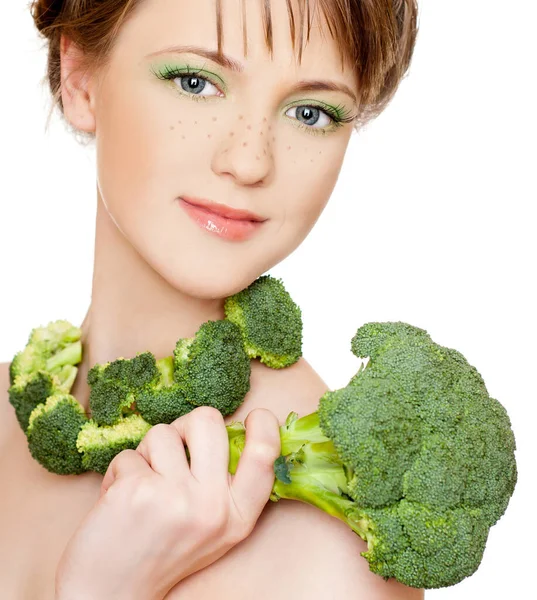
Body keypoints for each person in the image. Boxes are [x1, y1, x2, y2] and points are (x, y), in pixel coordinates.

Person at [0, 0, 423, 598]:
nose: (250, 160)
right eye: (196, 82)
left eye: (311, 112)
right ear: (80, 79)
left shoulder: (333, 551)